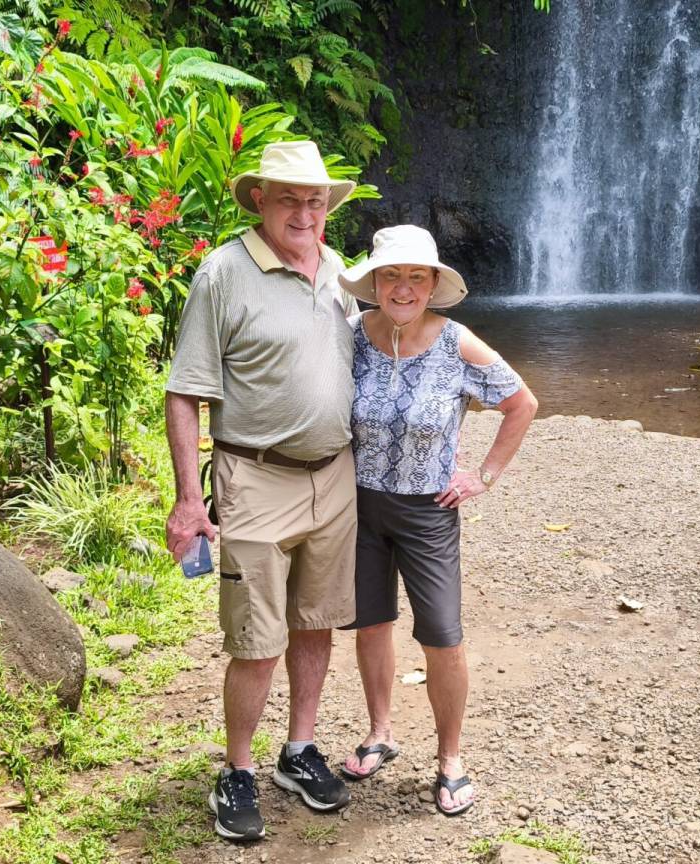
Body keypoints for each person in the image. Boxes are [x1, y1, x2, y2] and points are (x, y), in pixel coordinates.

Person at [163, 140, 361, 842]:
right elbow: (184, 393)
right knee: (255, 638)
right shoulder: (223, 273)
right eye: (289, 200)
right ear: (260, 200)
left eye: (315, 201)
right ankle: (238, 769)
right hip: (254, 477)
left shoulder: (340, 272)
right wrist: (189, 500)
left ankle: (299, 750)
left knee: (316, 620)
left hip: (334, 476)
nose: (304, 213)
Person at [333, 225, 538, 817]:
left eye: (415, 277)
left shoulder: (456, 342)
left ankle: (450, 758)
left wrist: (483, 476)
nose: (403, 288)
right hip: (359, 507)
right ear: (375, 282)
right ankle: (380, 732)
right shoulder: (353, 335)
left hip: (428, 512)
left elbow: (521, 403)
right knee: (371, 624)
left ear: (431, 285)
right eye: (391, 276)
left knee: (442, 636)